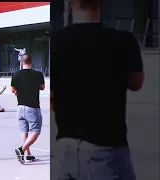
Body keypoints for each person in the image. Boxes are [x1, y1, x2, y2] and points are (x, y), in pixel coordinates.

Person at [51, 0, 144, 179]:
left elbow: (52, 99)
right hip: (107, 152)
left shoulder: (55, 42)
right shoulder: (124, 41)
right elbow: (136, 83)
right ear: (102, 4)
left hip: (65, 149)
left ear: (70, 4)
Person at [11, 54, 45, 164]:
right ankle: (22, 149)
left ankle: (27, 155)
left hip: (20, 107)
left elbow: (12, 90)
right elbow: (42, 87)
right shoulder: (38, 74)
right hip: (33, 107)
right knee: (36, 131)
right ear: (31, 62)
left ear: (21, 63)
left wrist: (18, 91)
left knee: (23, 131)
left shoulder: (16, 74)